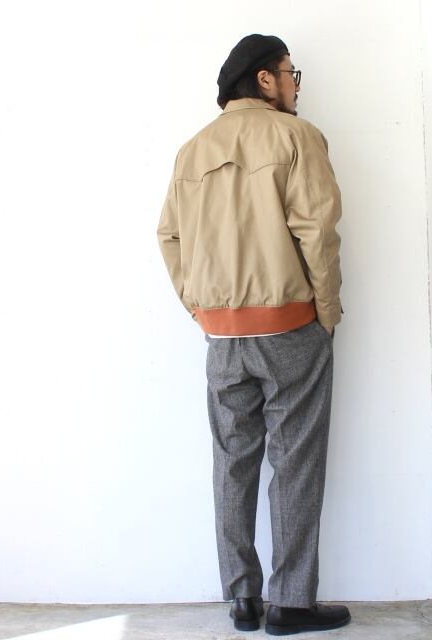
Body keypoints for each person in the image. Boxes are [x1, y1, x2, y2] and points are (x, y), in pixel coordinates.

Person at [156, 33, 350, 635]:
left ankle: (241, 598)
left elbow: (169, 236)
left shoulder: (192, 150)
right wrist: (326, 311)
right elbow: (317, 231)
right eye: (291, 74)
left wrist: (201, 309)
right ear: (265, 79)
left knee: (231, 462)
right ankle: (290, 604)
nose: (296, 85)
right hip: (290, 325)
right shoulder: (296, 136)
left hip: (222, 336)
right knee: (295, 463)